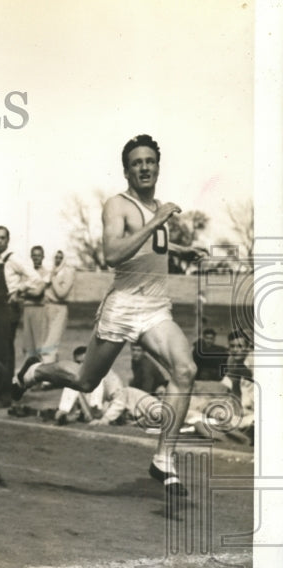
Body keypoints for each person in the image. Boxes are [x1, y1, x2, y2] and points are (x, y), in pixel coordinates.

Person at [14, 134, 207, 496]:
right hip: (121, 307)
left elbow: (150, 244)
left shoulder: (158, 208)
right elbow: (113, 254)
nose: (145, 167)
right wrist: (158, 222)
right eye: (137, 163)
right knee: (86, 382)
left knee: (186, 369)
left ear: (158, 166)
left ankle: (164, 457)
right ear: (127, 171)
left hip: (154, 308)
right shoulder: (117, 205)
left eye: (150, 161)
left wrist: (182, 249)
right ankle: (35, 371)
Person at [0, 226, 44, 408]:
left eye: (2, 238)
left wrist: (19, 292)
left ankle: (4, 395)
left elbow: (35, 277)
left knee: (4, 352)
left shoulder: (13, 258)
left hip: (8, 309)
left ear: (8, 240)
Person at [41, 250, 76, 364]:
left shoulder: (67, 273)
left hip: (59, 308)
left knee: (52, 342)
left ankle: (47, 369)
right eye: (56, 257)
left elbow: (62, 293)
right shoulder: (51, 271)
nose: (58, 259)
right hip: (47, 307)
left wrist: (53, 279)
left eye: (60, 257)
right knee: (44, 340)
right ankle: (46, 366)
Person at [19, 245, 51, 365]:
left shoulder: (46, 273)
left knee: (39, 343)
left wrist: (26, 291)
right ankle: (28, 372)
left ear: (43, 257)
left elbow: (38, 293)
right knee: (27, 343)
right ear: (31, 256)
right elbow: (20, 290)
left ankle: (41, 370)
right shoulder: (27, 272)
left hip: (39, 309)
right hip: (27, 309)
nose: (36, 258)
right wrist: (26, 291)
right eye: (34, 255)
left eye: (39, 255)